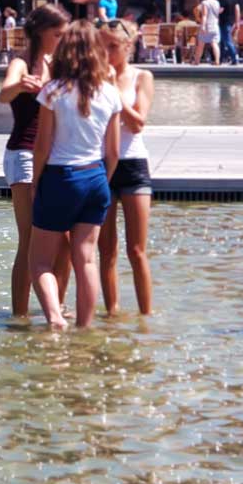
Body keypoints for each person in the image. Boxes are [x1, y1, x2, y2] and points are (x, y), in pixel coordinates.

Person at [30, 19, 122, 329]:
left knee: (40, 260)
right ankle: (85, 327)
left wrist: (35, 183)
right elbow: (114, 153)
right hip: (94, 177)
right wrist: (101, 182)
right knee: (86, 259)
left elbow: (41, 147)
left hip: (59, 176)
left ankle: (55, 318)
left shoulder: (52, 92)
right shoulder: (109, 93)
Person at [0, 4, 71, 320]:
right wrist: (21, 85)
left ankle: (56, 307)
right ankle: (20, 315)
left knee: (65, 243)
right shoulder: (21, 62)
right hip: (24, 154)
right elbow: (3, 94)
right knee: (29, 239)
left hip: (56, 157)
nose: (62, 39)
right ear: (41, 32)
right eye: (58, 34)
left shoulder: (64, 64)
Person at [97, 19, 154, 317]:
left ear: (128, 46)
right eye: (102, 46)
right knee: (106, 250)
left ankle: (146, 317)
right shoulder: (94, 77)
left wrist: (112, 90)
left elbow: (137, 122)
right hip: (102, 164)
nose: (107, 53)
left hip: (133, 165)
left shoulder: (142, 77)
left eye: (113, 47)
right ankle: (112, 314)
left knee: (136, 250)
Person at [193, 0, 222, 66]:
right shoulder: (217, 2)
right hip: (215, 26)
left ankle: (196, 61)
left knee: (201, 45)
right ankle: (217, 61)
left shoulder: (204, 3)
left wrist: (201, 24)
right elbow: (218, 13)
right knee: (215, 44)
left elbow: (204, 15)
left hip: (207, 26)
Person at [216, 0, 240, 65]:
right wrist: (237, 22)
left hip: (224, 22)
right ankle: (220, 59)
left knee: (227, 41)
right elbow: (237, 10)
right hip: (230, 22)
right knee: (222, 41)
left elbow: (220, 10)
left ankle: (234, 58)